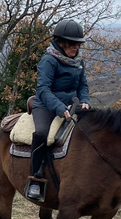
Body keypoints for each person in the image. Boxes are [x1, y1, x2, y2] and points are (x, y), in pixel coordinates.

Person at [25, 19, 91, 202]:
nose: (75, 48)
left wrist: (85, 101)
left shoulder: (78, 62)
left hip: (72, 105)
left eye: (78, 44)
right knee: (41, 133)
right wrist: (60, 108)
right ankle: (35, 178)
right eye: (72, 44)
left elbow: (83, 86)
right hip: (46, 105)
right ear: (60, 42)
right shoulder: (48, 60)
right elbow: (43, 90)